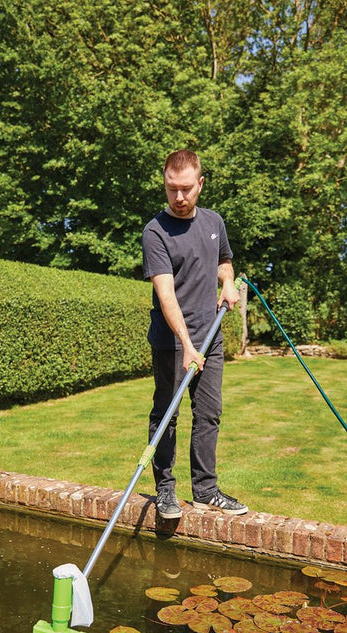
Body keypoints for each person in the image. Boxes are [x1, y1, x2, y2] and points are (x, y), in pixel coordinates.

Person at [141, 149, 248, 519]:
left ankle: (205, 490)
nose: (180, 197)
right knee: (166, 415)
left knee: (209, 414)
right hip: (173, 342)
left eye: (187, 188)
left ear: (200, 184)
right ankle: (166, 491)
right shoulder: (155, 232)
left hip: (210, 337)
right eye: (172, 189)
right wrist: (187, 345)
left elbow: (223, 260)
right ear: (165, 185)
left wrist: (228, 283)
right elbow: (165, 293)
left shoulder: (214, 221)